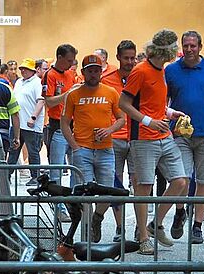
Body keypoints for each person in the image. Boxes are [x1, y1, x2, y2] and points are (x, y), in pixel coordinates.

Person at [119, 29, 188, 255]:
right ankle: (143, 237)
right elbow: (124, 103)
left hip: (163, 135)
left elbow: (151, 102)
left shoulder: (162, 71)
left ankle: (154, 224)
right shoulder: (140, 71)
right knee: (144, 187)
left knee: (180, 181)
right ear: (165, 51)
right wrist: (149, 121)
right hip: (144, 138)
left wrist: (169, 113)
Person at [165, 30, 204, 244]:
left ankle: (197, 226)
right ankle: (180, 211)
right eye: (186, 46)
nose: (189, 49)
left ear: (200, 47)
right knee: (181, 178)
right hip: (180, 133)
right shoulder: (171, 71)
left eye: (193, 45)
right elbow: (161, 101)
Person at [61, 55, 124, 242]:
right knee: (86, 193)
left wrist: (109, 130)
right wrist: (75, 147)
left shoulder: (111, 92)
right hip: (83, 150)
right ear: (83, 73)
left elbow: (121, 118)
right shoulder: (74, 94)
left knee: (107, 190)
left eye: (97, 70)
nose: (94, 74)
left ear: (101, 72)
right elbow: (65, 123)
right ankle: (87, 234)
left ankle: (98, 217)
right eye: (90, 70)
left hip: (106, 149)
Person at [101, 40, 137, 241]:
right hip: (114, 138)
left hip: (138, 137)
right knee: (116, 185)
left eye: (133, 58)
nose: (130, 62)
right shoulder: (106, 80)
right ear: (118, 58)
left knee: (140, 183)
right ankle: (120, 227)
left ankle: (140, 229)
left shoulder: (141, 76)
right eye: (126, 58)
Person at [42, 44, 78, 222]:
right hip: (57, 127)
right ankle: (58, 207)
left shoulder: (71, 74)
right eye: (69, 60)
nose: (71, 64)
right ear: (60, 57)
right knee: (56, 170)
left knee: (76, 168)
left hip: (74, 126)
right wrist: (67, 95)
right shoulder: (50, 75)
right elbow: (49, 102)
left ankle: (73, 203)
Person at [7, 58, 45, 185]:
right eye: (22, 68)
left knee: (33, 151)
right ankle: (7, 175)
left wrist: (33, 117)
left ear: (32, 70)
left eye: (26, 69)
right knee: (13, 150)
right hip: (17, 124)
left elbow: (41, 101)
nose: (23, 71)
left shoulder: (37, 83)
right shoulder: (19, 82)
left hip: (31, 125)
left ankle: (35, 177)